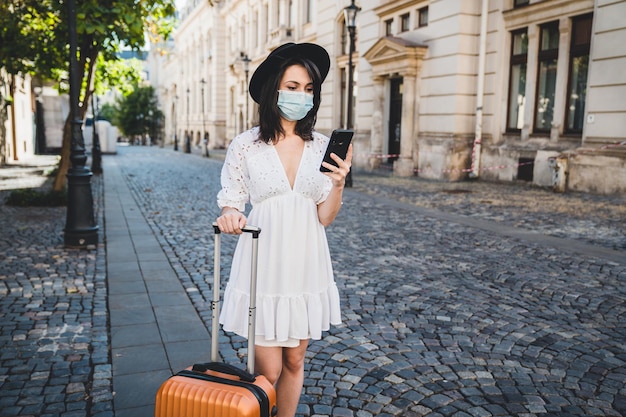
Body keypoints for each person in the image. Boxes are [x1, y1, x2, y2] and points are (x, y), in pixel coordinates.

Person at [215, 42, 352, 417]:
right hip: (264, 260)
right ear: (274, 89)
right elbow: (233, 199)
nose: (301, 96)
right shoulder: (246, 145)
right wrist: (230, 215)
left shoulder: (322, 145)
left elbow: (325, 217)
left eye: (308, 89)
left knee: (295, 360)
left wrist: (339, 183)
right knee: (268, 370)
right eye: (293, 87)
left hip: (307, 259)